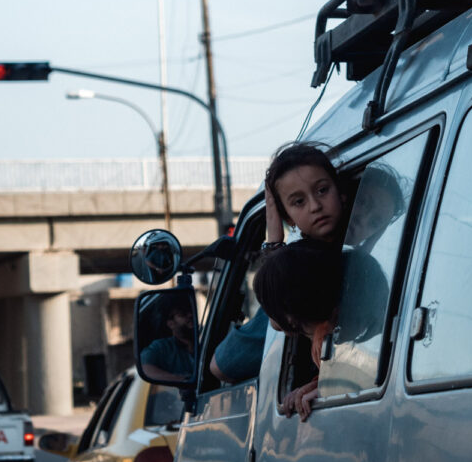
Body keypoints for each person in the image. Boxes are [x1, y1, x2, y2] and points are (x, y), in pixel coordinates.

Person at [209, 142, 349, 389]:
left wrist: (273, 242)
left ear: (340, 191)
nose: (315, 206)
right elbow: (277, 319)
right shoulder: (304, 260)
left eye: (322, 190)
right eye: (298, 202)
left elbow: (224, 364)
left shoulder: (359, 246)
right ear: (286, 217)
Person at [252, 238, 344, 420]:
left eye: (268, 308)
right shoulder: (330, 331)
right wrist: (315, 385)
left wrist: (325, 389)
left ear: (289, 316)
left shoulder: (325, 340)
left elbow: (351, 379)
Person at [140, 293, 196, 382]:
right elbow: (145, 369)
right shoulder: (161, 347)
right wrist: (184, 380)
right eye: (182, 313)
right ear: (171, 324)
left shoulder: (205, 340)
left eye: (191, 311)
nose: (190, 315)